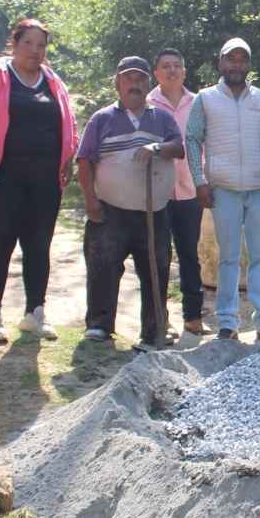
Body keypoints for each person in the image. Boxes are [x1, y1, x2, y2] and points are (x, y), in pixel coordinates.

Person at [0, 17, 78, 343]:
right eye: (28, 43)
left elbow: (68, 122)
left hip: (45, 179)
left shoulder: (53, 81)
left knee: (39, 245)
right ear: (14, 43)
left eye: (41, 45)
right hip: (3, 177)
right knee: (0, 244)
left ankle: (35, 313)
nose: (35, 50)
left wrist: (68, 156)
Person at [77, 56, 185, 349]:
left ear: (148, 84)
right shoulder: (102, 119)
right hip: (110, 211)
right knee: (103, 265)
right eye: (128, 79)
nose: (134, 85)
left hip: (153, 212)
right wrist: (91, 202)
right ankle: (99, 325)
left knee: (156, 268)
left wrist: (157, 147)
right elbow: (85, 160)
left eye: (140, 79)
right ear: (118, 83)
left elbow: (179, 149)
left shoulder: (161, 118)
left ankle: (153, 330)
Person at [185, 37, 260, 344]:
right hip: (223, 189)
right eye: (231, 59)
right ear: (221, 63)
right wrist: (199, 181)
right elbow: (192, 139)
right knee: (228, 257)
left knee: (259, 256)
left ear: (248, 65)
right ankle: (227, 323)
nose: (236, 65)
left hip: (257, 188)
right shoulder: (206, 98)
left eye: (242, 60)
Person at [147, 48, 208, 336]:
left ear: (184, 71)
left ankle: (193, 317)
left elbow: (205, 143)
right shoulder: (147, 104)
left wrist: (204, 179)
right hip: (157, 192)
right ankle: (159, 319)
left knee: (189, 255)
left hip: (190, 190)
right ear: (156, 73)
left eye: (176, 66)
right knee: (157, 255)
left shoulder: (197, 103)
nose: (171, 71)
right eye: (165, 66)